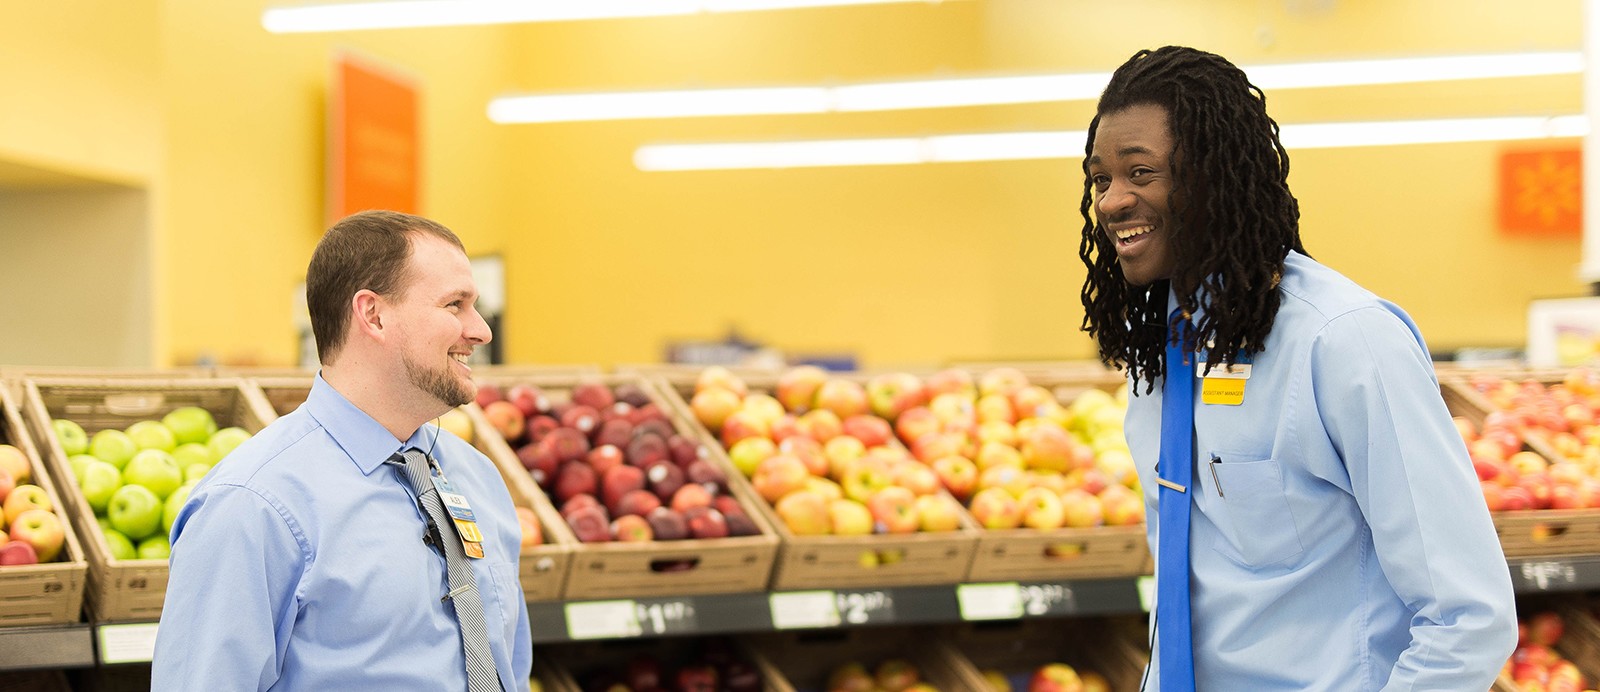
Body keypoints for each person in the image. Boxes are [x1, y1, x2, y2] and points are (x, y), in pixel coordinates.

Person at [1080, 46, 1516, 690]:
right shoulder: (1164, 352)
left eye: (1140, 173)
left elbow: (1468, 619)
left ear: (1212, 176)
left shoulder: (1344, 342)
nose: (1113, 201)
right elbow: (1200, 600)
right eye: (1100, 179)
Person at [152, 210, 531, 691]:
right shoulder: (253, 505)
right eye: (454, 305)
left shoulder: (478, 479)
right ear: (373, 314)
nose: (481, 331)